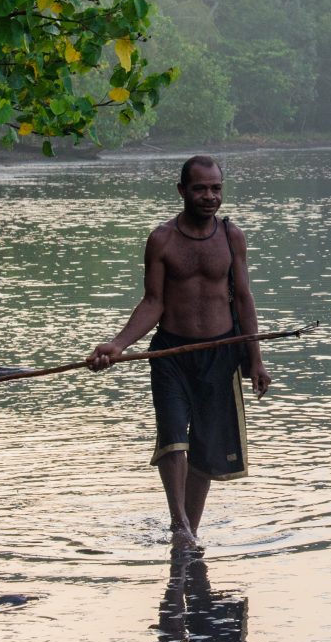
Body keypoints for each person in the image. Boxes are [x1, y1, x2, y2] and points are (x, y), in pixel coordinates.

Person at [88, 155, 271, 548]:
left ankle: (191, 529)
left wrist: (254, 359)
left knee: (205, 444)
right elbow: (153, 302)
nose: (209, 196)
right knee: (173, 436)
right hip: (170, 354)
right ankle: (178, 524)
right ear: (182, 191)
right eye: (201, 188)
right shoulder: (162, 239)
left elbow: (243, 298)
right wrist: (118, 345)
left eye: (216, 188)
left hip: (220, 354)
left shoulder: (231, 237)